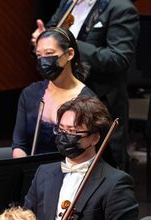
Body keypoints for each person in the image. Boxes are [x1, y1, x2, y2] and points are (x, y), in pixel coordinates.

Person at [32, 0, 139, 169]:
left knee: (105, 167)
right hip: (64, 96)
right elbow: (51, 35)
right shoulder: (68, 3)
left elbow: (118, 59)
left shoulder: (121, 8)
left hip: (100, 102)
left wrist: (69, 43)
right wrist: (43, 38)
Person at [12, 27, 95, 159]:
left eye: (49, 53)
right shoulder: (29, 94)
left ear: (69, 54)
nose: (43, 60)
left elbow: (86, 152)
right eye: (39, 55)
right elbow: (19, 146)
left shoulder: (87, 100)